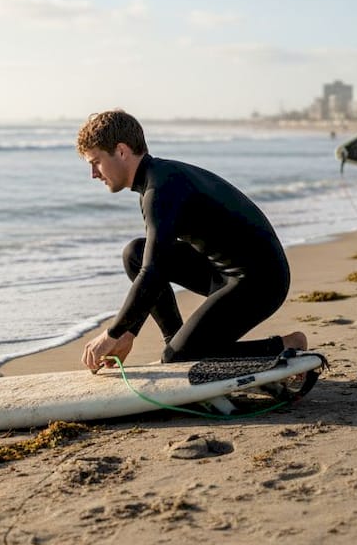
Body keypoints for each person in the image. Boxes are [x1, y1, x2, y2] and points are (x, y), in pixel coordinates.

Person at [75, 109, 307, 371]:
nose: (93, 174)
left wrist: (113, 333)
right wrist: (129, 332)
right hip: (223, 273)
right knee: (135, 253)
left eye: (95, 162)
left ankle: (285, 345)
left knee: (180, 358)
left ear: (121, 151)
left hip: (260, 282)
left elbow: (152, 272)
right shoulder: (156, 181)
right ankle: (175, 344)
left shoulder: (160, 189)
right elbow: (156, 262)